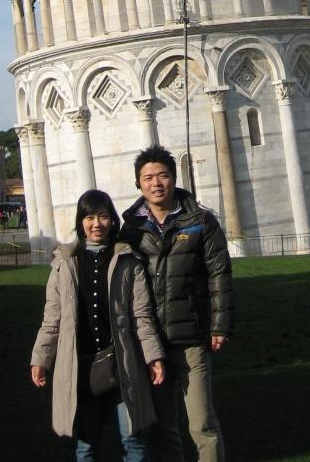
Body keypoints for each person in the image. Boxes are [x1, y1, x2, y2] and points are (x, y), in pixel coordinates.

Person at [31, 189, 165, 461]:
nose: (96, 224)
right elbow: (52, 318)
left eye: (103, 216)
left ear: (112, 220)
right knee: (86, 444)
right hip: (80, 366)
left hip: (122, 363)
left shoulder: (128, 261)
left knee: (134, 440)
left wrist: (153, 356)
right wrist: (40, 358)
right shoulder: (64, 265)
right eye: (89, 217)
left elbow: (142, 315)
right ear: (80, 221)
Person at [121, 145, 232, 462]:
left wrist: (220, 325)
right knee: (163, 428)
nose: (156, 183)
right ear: (139, 184)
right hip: (151, 342)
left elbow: (219, 274)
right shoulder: (131, 229)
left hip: (192, 338)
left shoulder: (200, 221)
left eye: (163, 175)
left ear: (173, 177)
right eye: (148, 178)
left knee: (202, 425)